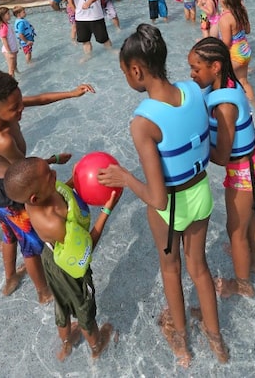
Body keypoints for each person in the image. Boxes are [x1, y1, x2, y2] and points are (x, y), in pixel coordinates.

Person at [97, 24, 228, 368]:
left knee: (171, 270)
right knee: (199, 269)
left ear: (136, 70)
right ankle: (216, 340)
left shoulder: (143, 122)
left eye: (125, 71)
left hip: (171, 208)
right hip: (201, 193)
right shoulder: (194, 91)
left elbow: (156, 198)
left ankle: (182, 344)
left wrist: (125, 178)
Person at [0, 71, 95, 301]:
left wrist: (72, 93)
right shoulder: (2, 139)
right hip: (10, 194)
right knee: (30, 245)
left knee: (10, 235)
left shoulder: (4, 109)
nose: (21, 109)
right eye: (16, 108)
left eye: (20, 102)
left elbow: (40, 99)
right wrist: (54, 163)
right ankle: (43, 292)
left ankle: (10, 277)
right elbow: (27, 171)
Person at [4, 157, 116, 361]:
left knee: (62, 302)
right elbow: (86, 249)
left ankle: (66, 343)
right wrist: (107, 210)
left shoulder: (37, 196)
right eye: (50, 176)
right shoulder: (52, 223)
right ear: (34, 198)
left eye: (52, 171)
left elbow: (58, 190)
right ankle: (96, 345)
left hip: (49, 258)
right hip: (68, 267)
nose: (55, 176)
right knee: (83, 305)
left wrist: (75, 180)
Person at [188, 38, 255, 298]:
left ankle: (243, 284)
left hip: (243, 173)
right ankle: (253, 262)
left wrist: (194, 146)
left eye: (196, 68)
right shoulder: (228, 86)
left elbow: (222, 156)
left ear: (216, 67)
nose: (192, 74)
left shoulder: (224, 106)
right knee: (248, 218)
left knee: (235, 232)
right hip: (254, 164)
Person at [218, 0, 255, 105]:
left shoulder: (225, 18)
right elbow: (248, 31)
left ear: (223, 0)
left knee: (221, 81)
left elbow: (226, 43)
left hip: (234, 54)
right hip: (245, 51)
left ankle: (231, 107)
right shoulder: (241, 11)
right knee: (244, 81)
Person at [0, 7, 19, 77]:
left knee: (14, 65)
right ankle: (11, 83)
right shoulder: (3, 27)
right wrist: (9, 52)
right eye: (8, 14)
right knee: (11, 69)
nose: (10, 15)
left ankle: (17, 77)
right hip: (8, 50)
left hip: (12, 49)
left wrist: (15, 49)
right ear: (2, 16)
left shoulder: (7, 24)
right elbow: (4, 40)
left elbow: (11, 38)